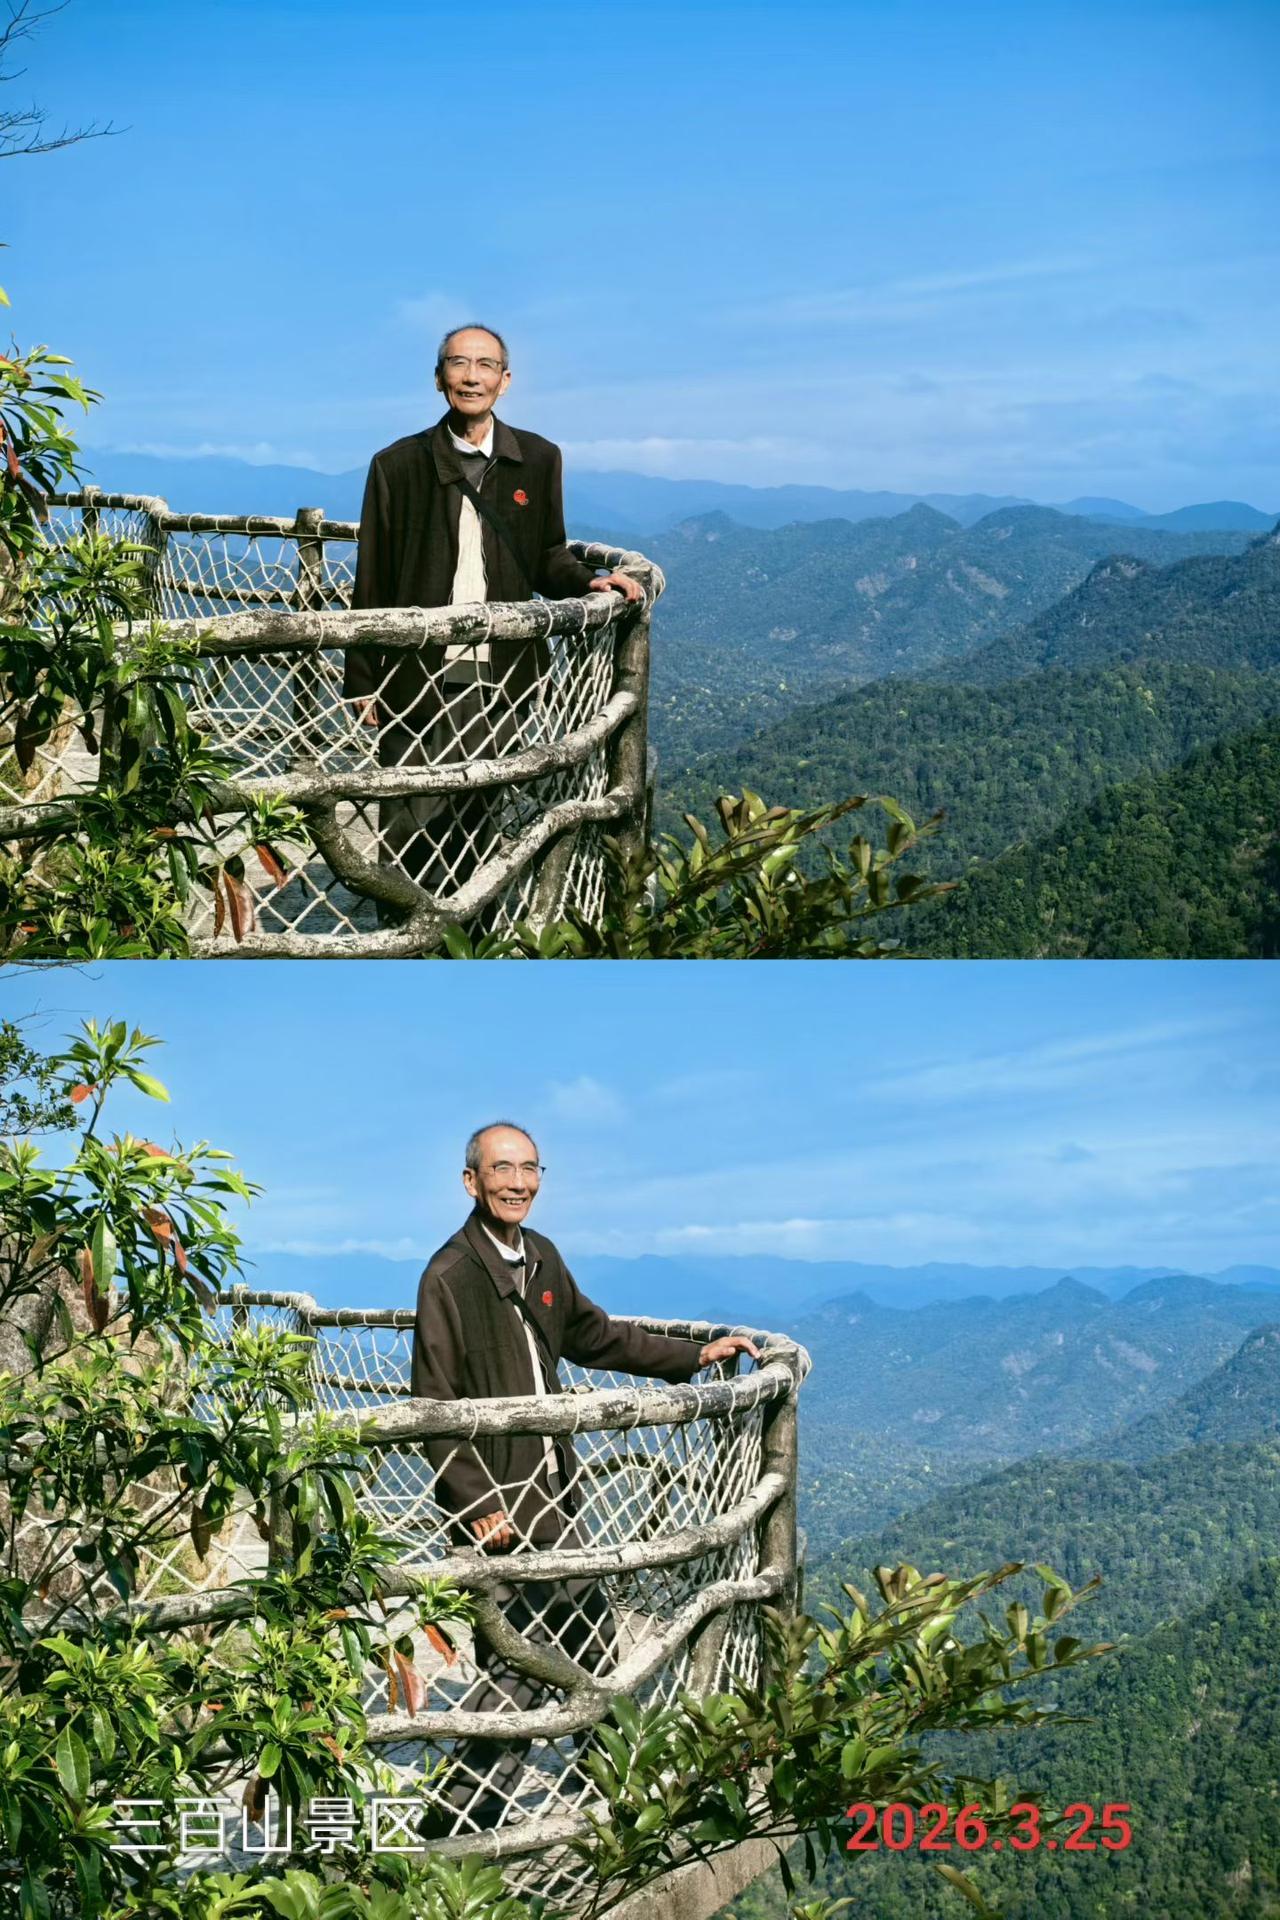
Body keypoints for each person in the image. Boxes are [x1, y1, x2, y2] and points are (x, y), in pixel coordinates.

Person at [411, 1121, 759, 1832]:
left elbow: (595, 1335)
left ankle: (613, 1788)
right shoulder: (448, 1277)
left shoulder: (541, 1258)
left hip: (555, 1496)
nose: (518, 1183)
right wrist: (476, 1503)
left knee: (591, 1641)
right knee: (517, 1665)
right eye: (502, 1169)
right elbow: (432, 1407)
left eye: (530, 1169)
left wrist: (692, 1356)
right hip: (498, 1510)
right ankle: (453, 1830)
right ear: (471, 1182)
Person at [343, 326, 644, 906]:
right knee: (408, 817)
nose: (471, 376)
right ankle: (405, 931)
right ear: (439, 379)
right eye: (458, 364)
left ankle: (469, 931)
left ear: (505, 381)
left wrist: (588, 581)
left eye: (485, 366)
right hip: (416, 672)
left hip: (503, 674)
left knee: (480, 815)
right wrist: (362, 677)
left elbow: (547, 554)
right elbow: (371, 577)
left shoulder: (537, 459)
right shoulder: (398, 465)